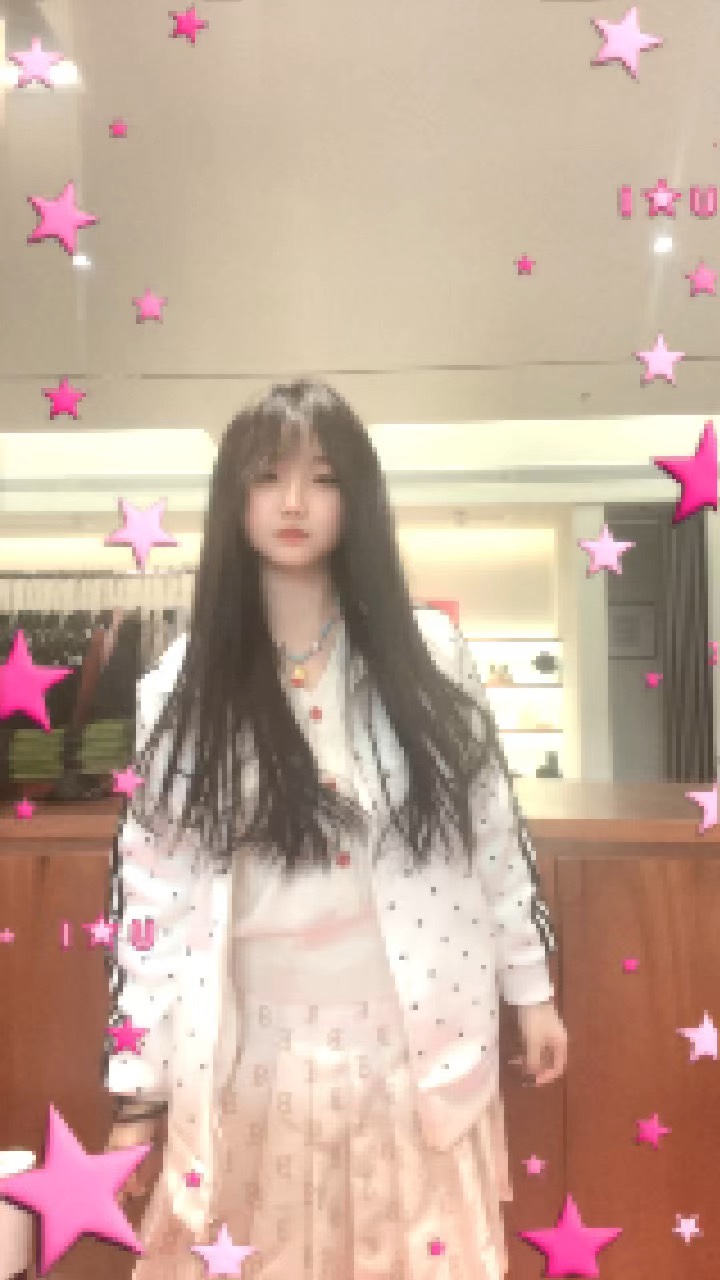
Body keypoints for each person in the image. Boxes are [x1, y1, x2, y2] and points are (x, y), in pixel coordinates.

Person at [104, 379, 567, 1280]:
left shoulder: (430, 659)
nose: (292, 502)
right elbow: (151, 895)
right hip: (250, 1056)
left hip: (411, 1048)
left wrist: (532, 988)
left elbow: (491, 833)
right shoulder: (183, 688)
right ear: (232, 499)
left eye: (322, 478)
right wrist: (139, 1088)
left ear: (357, 497)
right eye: (266, 476)